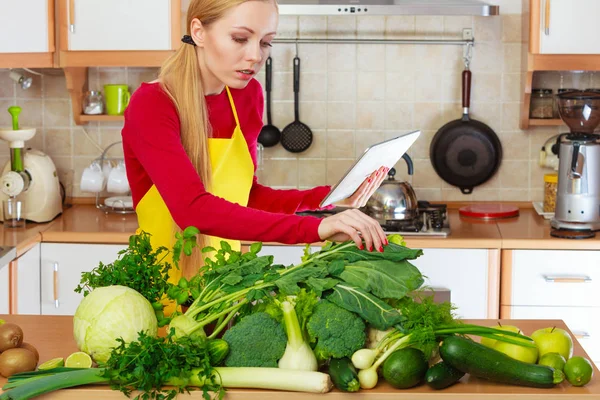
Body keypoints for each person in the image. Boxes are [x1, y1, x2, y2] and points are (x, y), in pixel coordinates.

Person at [121, 0, 389, 281]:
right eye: (240, 38)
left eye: (265, 42)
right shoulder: (152, 104)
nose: (255, 56)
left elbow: (246, 196)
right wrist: (313, 229)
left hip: (225, 284)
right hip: (162, 288)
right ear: (198, 31)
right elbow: (192, 210)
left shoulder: (247, 95)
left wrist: (328, 199)